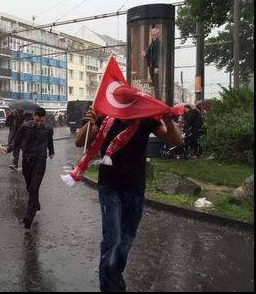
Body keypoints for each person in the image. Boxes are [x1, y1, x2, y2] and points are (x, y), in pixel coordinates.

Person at [75, 107, 182, 292]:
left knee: (126, 239)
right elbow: (79, 142)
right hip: (109, 187)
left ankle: (115, 273)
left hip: (135, 189)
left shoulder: (147, 119)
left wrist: (169, 121)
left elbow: (175, 140)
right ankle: (108, 285)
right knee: (113, 239)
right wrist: (89, 124)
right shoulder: (106, 117)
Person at [0, 107, 55, 230]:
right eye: (37, 120)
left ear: (44, 118)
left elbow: (50, 141)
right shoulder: (25, 127)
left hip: (40, 161)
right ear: (33, 116)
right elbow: (17, 142)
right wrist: (8, 149)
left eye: (41, 121)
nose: (39, 123)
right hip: (27, 161)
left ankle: (29, 216)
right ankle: (35, 203)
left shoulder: (48, 128)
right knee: (29, 186)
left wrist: (51, 152)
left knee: (34, 187)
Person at [142, 27, 161, 100]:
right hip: (151, 66)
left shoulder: (158, 43)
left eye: (155, 35)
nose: (154, 36)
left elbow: (158, 56)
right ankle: (157, 99)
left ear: (158, 35)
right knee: (154, 83)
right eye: (153, 35)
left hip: (155, 67)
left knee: (156, 84)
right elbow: (149, 56)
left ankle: (158, 99)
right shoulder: (152, 44)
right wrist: (145, 55)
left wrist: (157, 67)